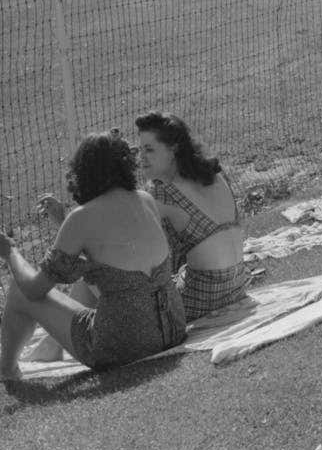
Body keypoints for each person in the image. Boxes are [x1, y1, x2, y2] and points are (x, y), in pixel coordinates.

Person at [0, 130, 186, 379]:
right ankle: (49, 350)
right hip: (173, 328)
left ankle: (8, 371)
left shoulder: (82, 217)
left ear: (84, 172)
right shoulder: (145, 199)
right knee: (96, 281)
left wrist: (10, 252)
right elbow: (111, 255)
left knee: (17, 289)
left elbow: (34, 290)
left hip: (123, 346)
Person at [135, 111, 249, 322]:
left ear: (174, 149)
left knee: (96, 273)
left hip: (201, 299)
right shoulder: (215, 176)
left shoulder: (162, 192)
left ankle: (60, 347)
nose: (140, 157)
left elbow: (131, 248)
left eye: (149, 149)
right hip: (237, 288)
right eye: (139, 149)